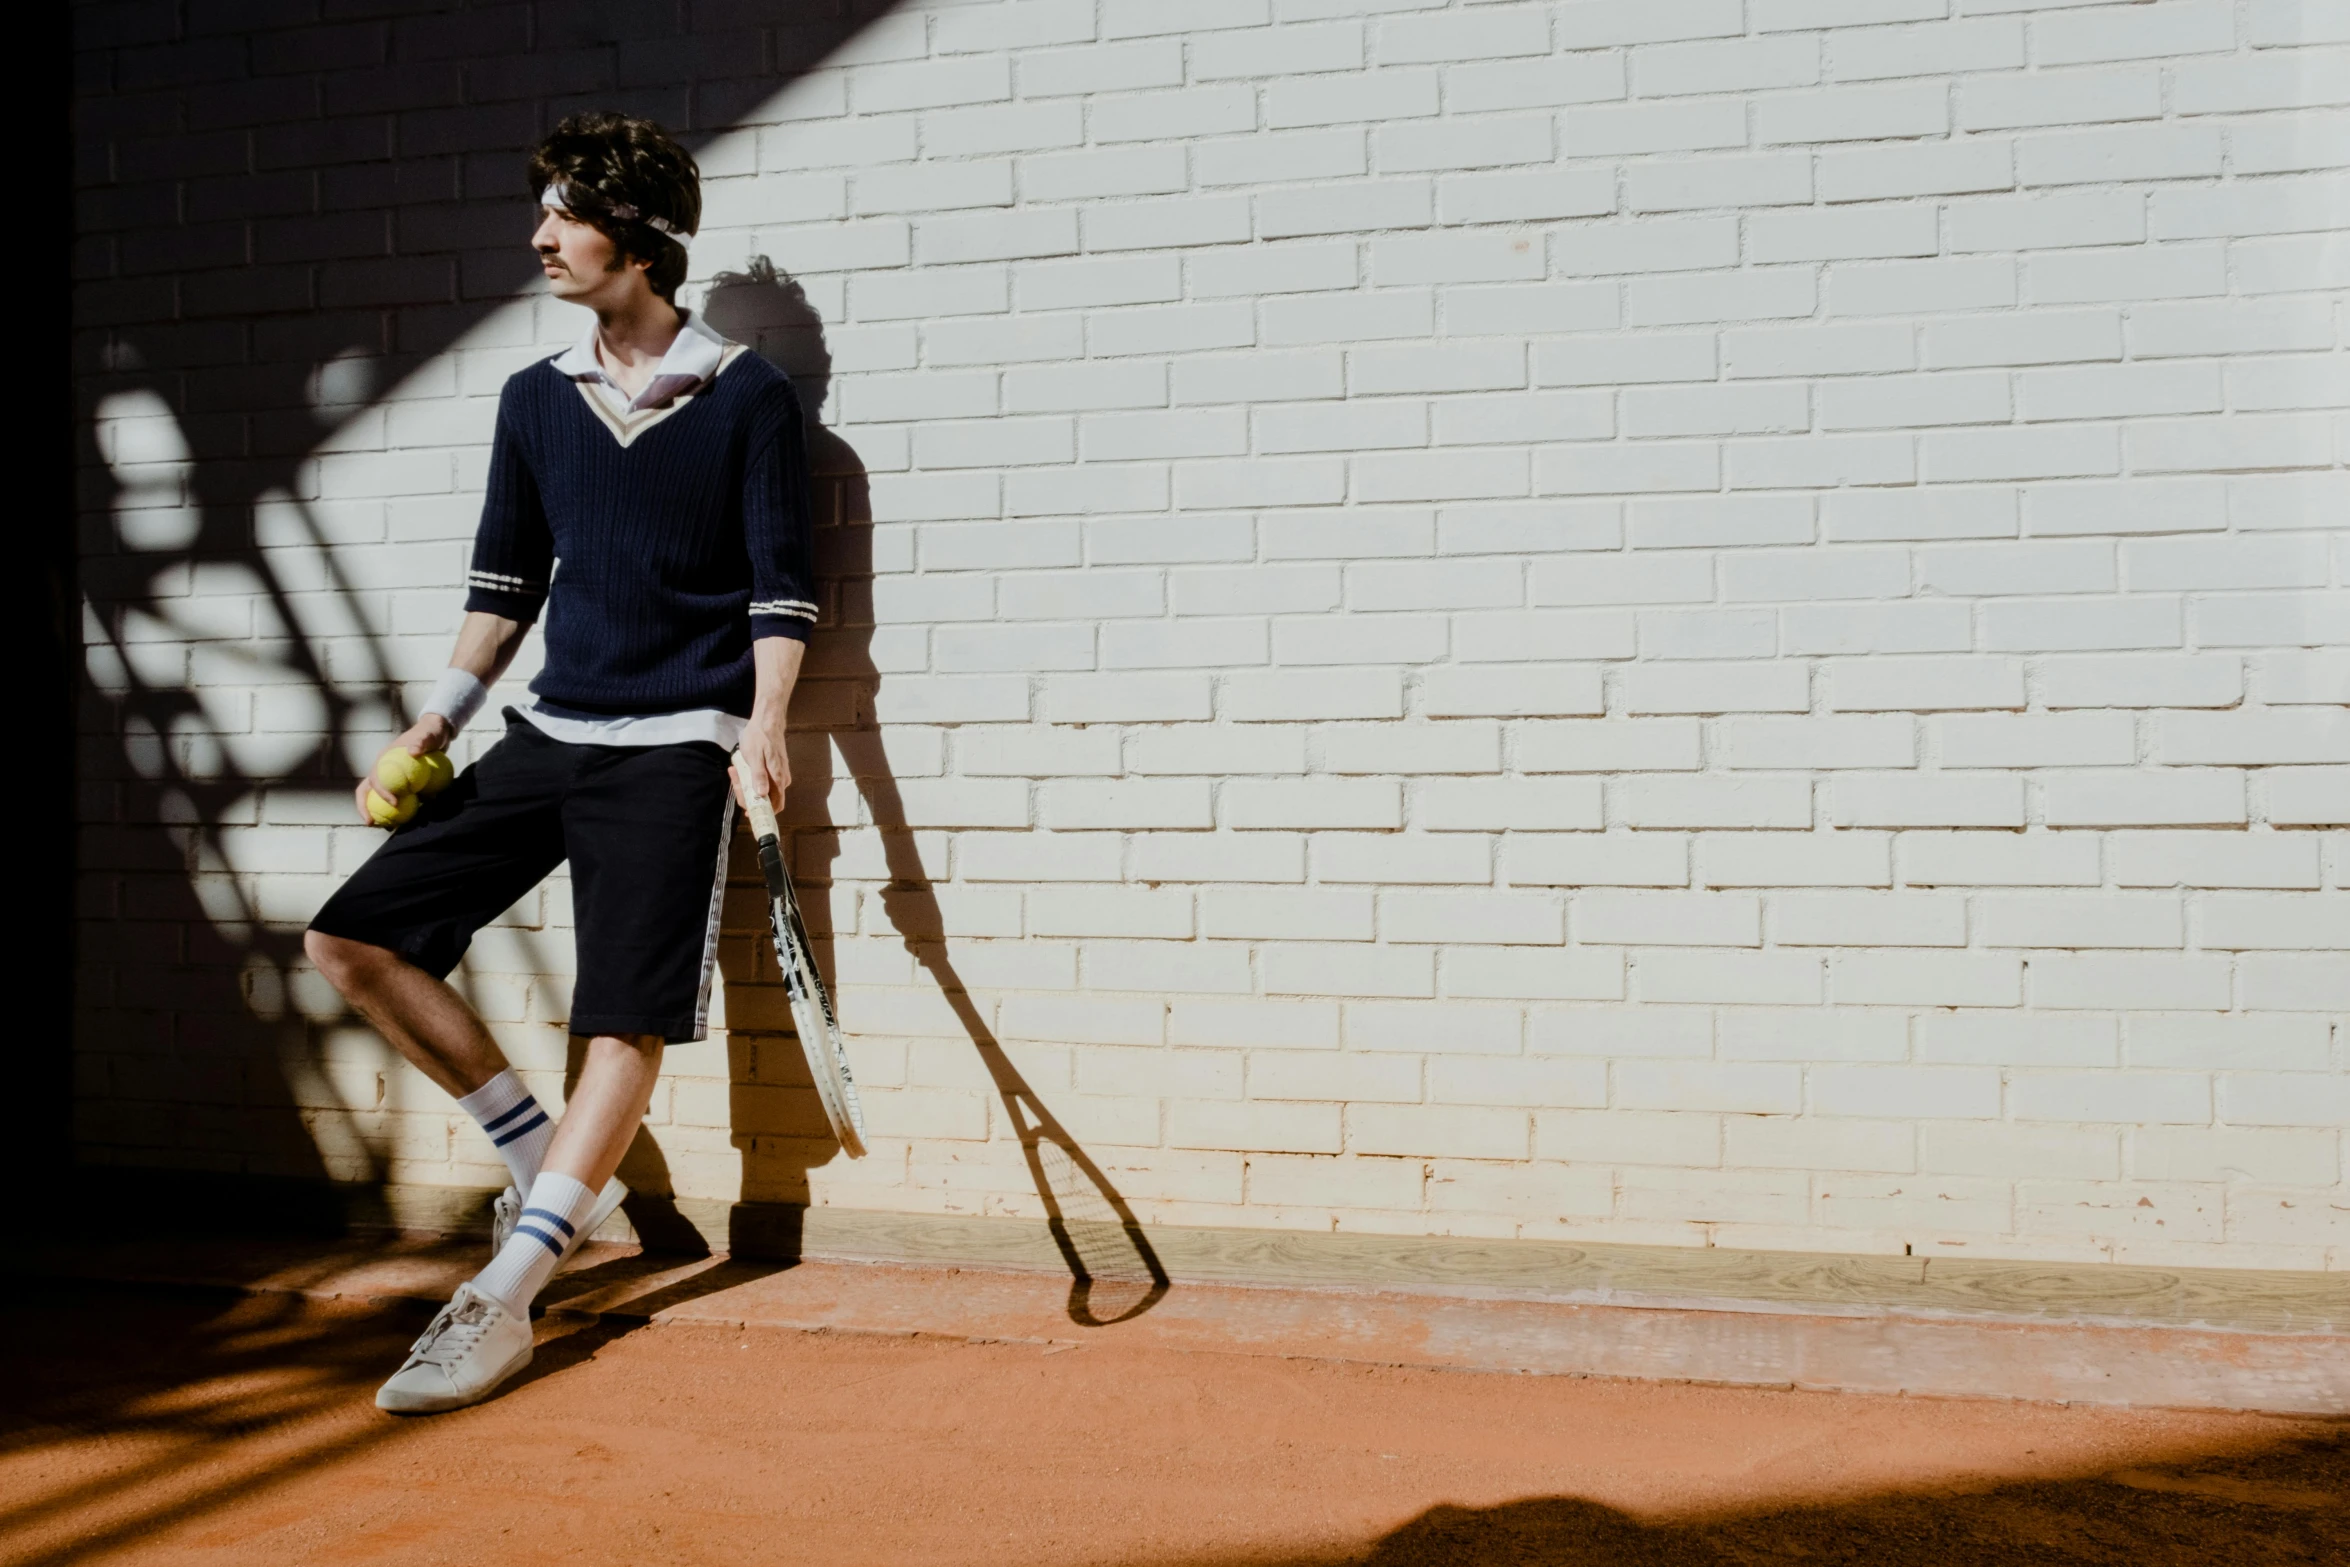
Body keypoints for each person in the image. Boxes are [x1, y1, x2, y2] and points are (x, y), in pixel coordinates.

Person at [303, 111, 817, 1414]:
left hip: (675, 744)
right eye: (540, 209)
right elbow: (504, 580)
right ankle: (543, 1165)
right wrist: (439, 719)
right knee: (355, 936)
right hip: (551, 729)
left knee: (620, 1012)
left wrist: (765, 726)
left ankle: (507, 1296)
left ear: (639, 240)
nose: (539, 235)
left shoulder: (746, 398)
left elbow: (780, 592)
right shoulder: (536, 399)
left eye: (565, 213)